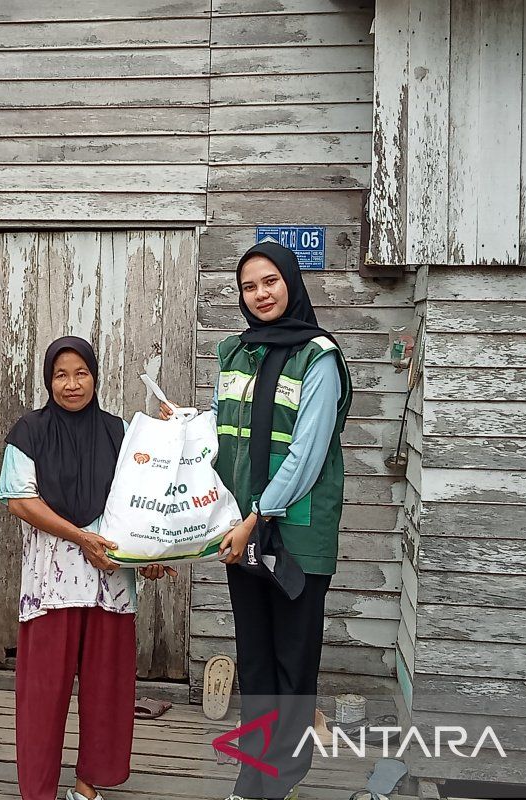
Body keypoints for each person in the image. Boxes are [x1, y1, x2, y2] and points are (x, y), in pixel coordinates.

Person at [163, 241, 351, 800]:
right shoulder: (234, 352)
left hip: (293, 533)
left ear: (290, 282)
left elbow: (307, 452)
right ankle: (254, 775)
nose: (261, 294)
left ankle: (282, 777)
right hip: (242, 530)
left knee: (293, 662)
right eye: (249, 286)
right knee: (256, 659)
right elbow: (229, 423)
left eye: (270, 281)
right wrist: (189, 424)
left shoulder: (318, 356)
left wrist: (256, 516)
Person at [0, 336, 174, 800]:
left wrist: (151, 555)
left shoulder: (119, 432)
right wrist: (82, 537)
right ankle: (38, 791)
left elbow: (141, 500)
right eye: (60, 374)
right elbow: (20, 501)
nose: (72, 384)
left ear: (95, 376)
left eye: (81, 373)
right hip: (50, 583)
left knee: (106, 691)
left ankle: (88, 785)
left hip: (110, 583)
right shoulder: (29, 431)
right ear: (48, 380)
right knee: (42, 695)